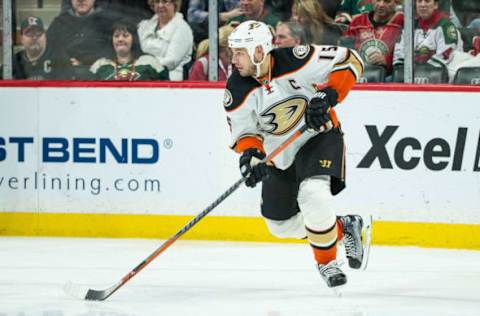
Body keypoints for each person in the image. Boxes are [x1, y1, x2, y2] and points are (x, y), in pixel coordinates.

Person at [223, 20, 366, 288]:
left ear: (258, 51)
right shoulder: (237, 88)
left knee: (313, 194)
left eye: (239, 52)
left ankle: (328, 263)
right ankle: (344, 227)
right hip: (280, 156)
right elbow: (245, 133)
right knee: (279, 225)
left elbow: (350, 60)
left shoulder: (295, 60)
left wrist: (328, 96)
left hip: (318, 137)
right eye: (233, 52)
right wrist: (252, 157)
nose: (233, 60)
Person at [47, 0, 116, 79]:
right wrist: (66, 62)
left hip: (98, 80)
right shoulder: (59, 23)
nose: (81, 0)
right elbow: (49, 50)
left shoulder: (108, 23)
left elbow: (114, 53)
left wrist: (84, 63)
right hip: (64, 79)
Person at [393, 0, 463, 71]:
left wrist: (421, 71)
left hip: (440, 76)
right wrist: (401, 70)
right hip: (412, 76)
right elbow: (399, 55)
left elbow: (446, 56)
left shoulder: (446, 26)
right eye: (419, 1)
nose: (423, 5)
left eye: (427, 1)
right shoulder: (409, 27)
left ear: (435, 5)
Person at [90, 21, 169, 80]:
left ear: (134, 39)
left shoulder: (149, 61)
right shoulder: (100, 64)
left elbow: (167, 90)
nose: (120, 39)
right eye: (116, 36)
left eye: (125, 35)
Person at [138, 0, 194, 81]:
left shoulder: (182, 28)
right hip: (144, 76)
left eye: (165, 1)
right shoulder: (145, 25)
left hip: (171, 81)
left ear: (175, 4)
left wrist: (145, 66)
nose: (160, 5)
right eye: (157, 1)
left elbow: (171, 61)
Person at [343, 0, 404, 74]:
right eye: (378, 0)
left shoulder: (402, 21)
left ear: (396, 3)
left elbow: (408, 55)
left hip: (389, 77)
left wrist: (388, 61)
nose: (381, 4)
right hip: (359, 74)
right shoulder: (358, 21)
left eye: (387, 1)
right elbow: (345, 50)